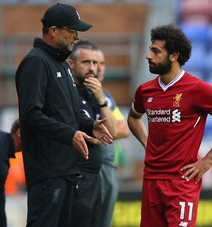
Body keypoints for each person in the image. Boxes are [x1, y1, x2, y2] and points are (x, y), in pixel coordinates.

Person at [127, 24, 212, 227]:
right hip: (151, 179)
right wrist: (147, 143)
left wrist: (208, 160)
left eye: (155, 51)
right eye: (149, 49)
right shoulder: (145, 91)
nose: (148, 55)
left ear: (174, 55)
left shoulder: (198, 89)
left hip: (182, 181)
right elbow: (133, 117)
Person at [15, 3, 113, 227]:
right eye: (73, 31)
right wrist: (70, 134)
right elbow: (30, 114)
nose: (77, 37)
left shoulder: (61, 64)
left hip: (67, 169)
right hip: (47, 170)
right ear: (53, 31)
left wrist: (90, 125)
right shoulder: (36, 62)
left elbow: (72, 111)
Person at [67, 39, 116, 227]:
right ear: (72, 63)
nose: (92, 68)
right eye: (86, 62)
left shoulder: (95, 93)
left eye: (96, 63)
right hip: (75, 173)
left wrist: (101, 99)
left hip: (95, 175)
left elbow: (111, 133)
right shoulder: (67, 92)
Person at [95, 49, 130, 227]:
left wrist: (102, 134)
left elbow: (123, 129)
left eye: (102, 64)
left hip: (109, 166)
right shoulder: (78, 93)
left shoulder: (106, 96)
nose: (98, 68)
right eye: (93, 63)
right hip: (88, 168)